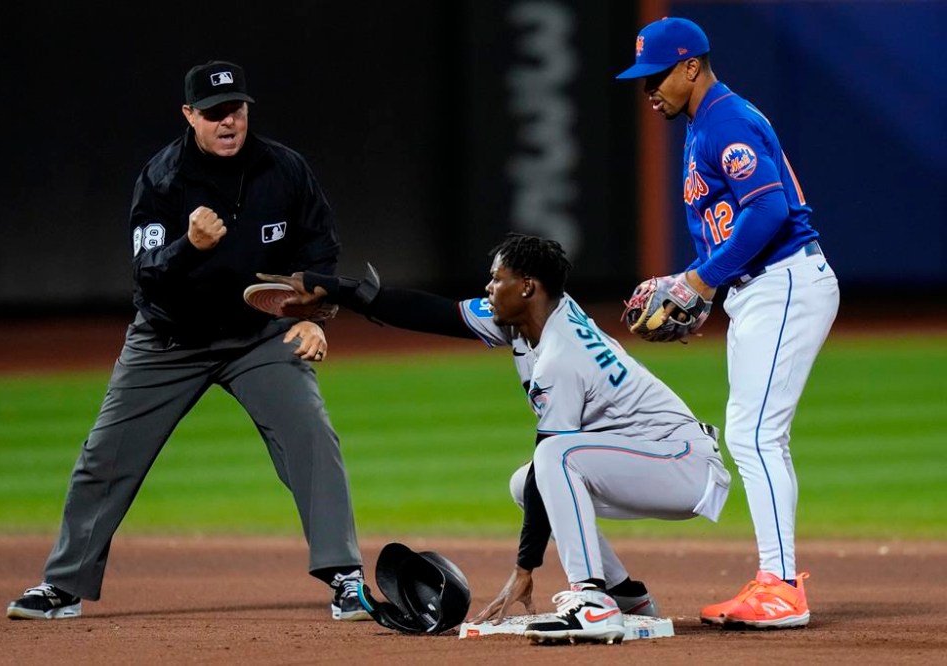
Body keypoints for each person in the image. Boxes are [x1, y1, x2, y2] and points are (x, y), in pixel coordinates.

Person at [6, 60, 370, 622]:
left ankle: (345, 577)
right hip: (169, 339)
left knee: (312, 437)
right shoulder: (164, 178)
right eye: (215, 113)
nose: (229, 123)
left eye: (237, 110)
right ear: (189, 116)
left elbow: (319, 250)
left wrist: (316, 316)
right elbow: (147, 271)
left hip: (257, 337)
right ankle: (62, 585)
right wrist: (189, 246)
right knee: (106, 455)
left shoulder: (286, 169)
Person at [246, 233, 732, 644]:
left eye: (496, 279)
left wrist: (525, 570)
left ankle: (592, 600)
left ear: (526, 287)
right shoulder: (527, 317)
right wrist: (333, 288)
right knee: (528, 482)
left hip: (681, 466)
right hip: (654, 459)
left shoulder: (562, 355)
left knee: (556, 455)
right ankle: (629, 596)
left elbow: (553, 457)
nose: (488, 286)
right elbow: (430, 312)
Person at [616, 18, 840, 629]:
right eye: (640, 81)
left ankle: (783, 587)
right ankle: (777, 577)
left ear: (691, 66)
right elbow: (731, 224)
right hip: (763, 288)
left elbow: (768, 209)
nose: (648, 90)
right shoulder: (702, 123)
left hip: (786, 281)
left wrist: (697, 282)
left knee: (754, 434)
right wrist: (703, 287)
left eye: (655, 76)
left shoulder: (726, 121)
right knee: (758, 434)